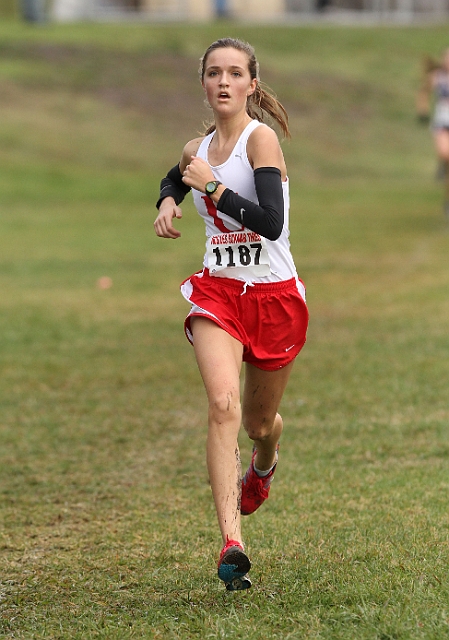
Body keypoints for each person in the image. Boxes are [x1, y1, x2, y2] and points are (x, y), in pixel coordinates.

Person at [154, 37, 309, 591]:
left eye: (234, 73)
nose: (223, 82)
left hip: (275, 296)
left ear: (251, 85)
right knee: (223, 406)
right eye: (214, 73)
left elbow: (269, 222)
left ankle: (264, 461)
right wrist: (168, 198)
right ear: (203, 82)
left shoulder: (259, 140)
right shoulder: (196, 145)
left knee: (257, 424)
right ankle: (232, 543)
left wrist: (213, 189)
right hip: (218, 292)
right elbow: (178, 174)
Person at [416, 49, 449, 218]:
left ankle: (447, 201)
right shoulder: (437, 77)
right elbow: (424, 92)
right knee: (445, 153)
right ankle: (442, 164)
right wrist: (422, 111)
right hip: (442, 122)